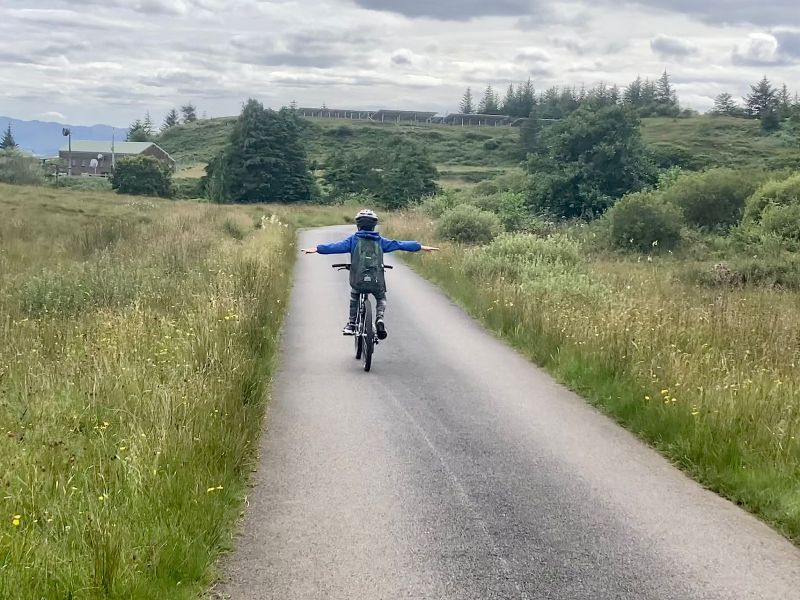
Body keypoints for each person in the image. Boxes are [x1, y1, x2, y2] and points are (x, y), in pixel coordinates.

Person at [302, 209, 438, 339]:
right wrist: (419, 246)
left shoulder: (353, 240)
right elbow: (399, 244)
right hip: (376, 281)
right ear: (374, 226)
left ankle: (351, 324)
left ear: (358, 226)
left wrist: (317, 249)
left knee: (354, 294)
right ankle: (379, 319)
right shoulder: (380, 241)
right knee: (381, 298)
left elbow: (335, 247)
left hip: (358, 280)